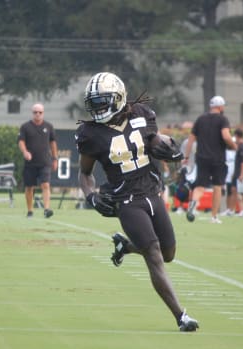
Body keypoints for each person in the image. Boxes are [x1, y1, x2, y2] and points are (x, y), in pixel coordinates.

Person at [76, 72, 198, 332]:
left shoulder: (141, 113)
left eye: (102, 101)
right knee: (153, 254)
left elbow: (153, 140)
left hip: (153, 192)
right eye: (94, 103)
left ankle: (127, 246)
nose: (98, 108)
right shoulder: (90, 134)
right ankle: (181, 316)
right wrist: (91, 195)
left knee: (168, 254)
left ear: (118, 98)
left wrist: (167, 145)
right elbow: (84, 173)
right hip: (126, 199)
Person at [182, 95, 237, 224]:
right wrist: (234, 146)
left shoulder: (200, 119)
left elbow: (191, 139)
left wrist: (186, 157)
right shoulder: (223, 120)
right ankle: (214, 216)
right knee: (217, 187)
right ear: (220, 107)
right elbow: (226, 136)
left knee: (200, 186)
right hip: (217, 159)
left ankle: (193, 205)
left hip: (202, 158)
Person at [18, 103, 58, 218]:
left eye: (40, 112)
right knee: (29, 187)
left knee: (45, 184)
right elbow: (21, 141)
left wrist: (55, 158)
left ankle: (46, 209)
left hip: (45, 162)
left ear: (43, 113)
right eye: (35, 112)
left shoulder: (49, 126)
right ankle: (30, 211)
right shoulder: (25, 127)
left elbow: (53, 143)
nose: (38, 114)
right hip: (30, 163)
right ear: (32, 113)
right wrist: (25, 152)